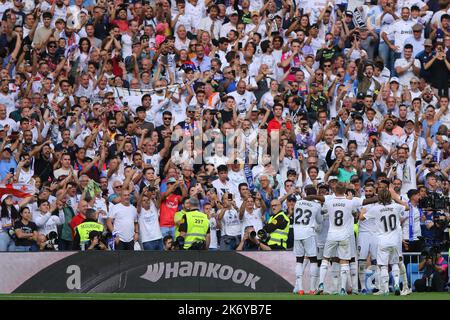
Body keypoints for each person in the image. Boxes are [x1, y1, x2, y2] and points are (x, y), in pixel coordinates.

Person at [305, 182, 377, 295]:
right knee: (345, 261)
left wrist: (309, 197)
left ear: (334, 190)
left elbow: (319, 197)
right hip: (345, 235)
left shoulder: (329, 200)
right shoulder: (351, 201)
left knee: (325, 259)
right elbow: (369, 201)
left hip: (331, 235)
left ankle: (321, 284)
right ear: (345, 191)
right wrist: (386, 196)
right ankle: (343, 288)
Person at [359, 189, 408, 296]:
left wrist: (363, 209)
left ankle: (385, 289)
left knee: (383, 266)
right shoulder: (396, 206)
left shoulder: (375, 209)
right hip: (395, 240)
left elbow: (361, 218)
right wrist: (396, 199)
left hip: (382, 240)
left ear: (379, 198)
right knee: (395, 263)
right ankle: (396, 284)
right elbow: (407, 207)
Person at [292, 185, 323, 295]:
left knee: (299, 260)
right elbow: (319, 221)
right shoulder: (316, 205)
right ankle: (312, 289)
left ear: (306, 192)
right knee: (313, 260)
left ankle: (300, 289)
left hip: (296, 233)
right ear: (315, 194)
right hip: (308, 233)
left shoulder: (298, 203)